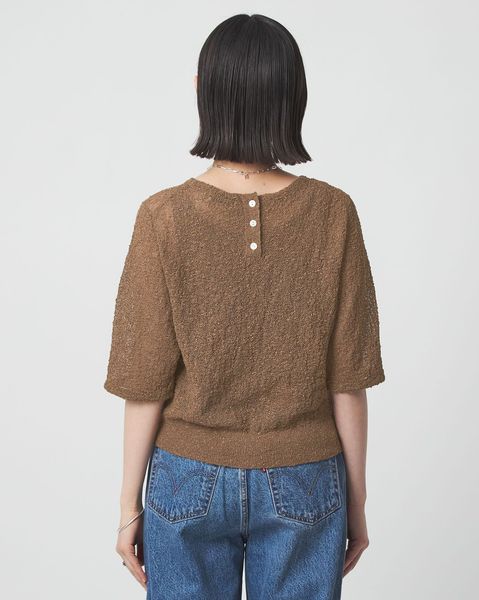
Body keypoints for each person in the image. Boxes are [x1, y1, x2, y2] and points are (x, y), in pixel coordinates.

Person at [104, 13, 385, 600]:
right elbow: (349, 380)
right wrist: (356, 503)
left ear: (202, 90)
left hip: (185, 478)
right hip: (308, 477)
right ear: (295, 96)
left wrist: (129, 506)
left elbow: (144, 381)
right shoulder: (334, 212)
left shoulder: (163, 216)